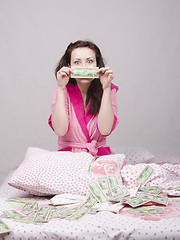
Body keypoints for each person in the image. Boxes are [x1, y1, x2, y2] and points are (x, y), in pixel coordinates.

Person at [48, 40, 119, 156]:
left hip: (98, 156)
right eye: (77, 62)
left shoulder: (108, 88)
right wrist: (60, 88)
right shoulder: (63, 88)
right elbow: (60, 130)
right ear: (69, 67)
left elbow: (105, 130)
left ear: (97, 66)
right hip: (68, 157)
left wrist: (106, 89)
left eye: (90, 61)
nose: (84, 67)